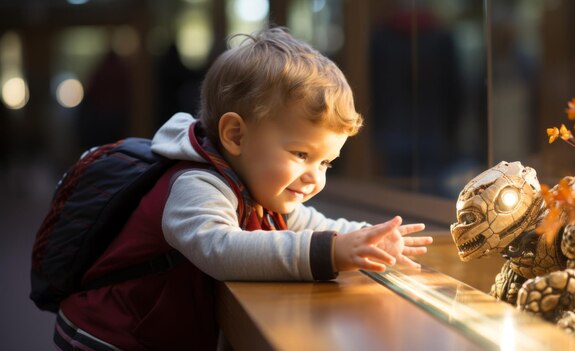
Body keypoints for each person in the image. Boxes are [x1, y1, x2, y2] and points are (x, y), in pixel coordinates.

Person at [54, 27, 433, 351]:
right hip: (106, 337)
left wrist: (368, 239)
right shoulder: (194, 184)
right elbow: (220, 248)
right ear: (235, 135)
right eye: (301, 153)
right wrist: (331, 253)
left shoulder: (260, 190)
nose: (315, 177)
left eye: (326, 163)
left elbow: (311, 224)